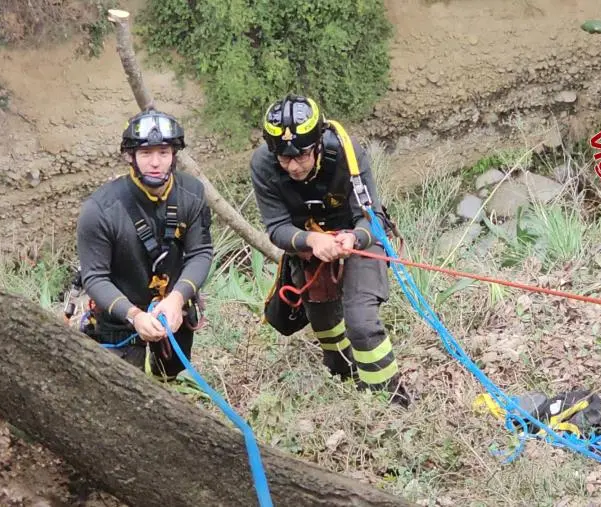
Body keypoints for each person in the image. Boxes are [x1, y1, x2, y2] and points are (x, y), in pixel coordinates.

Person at [250, 94, 409, 407]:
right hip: (308, 248)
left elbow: (369, 216)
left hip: (357, 240)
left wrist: (354, 239)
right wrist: (311, 241)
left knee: (361, 324)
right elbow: (277, 226)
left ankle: (388, 403)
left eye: (302, 156)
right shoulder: (264, 165)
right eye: (285, 159)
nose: (294, 167)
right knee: (325, 326)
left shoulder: (349, 156)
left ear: (319, 144)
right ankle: (343, 374)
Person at [75, 108, 214, 380]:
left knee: (171, 374)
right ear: (131, 156)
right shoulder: (100, 210)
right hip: (119, 316)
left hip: (173, 310)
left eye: (163, 152)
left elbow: (200, 252)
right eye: (146, 153)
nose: (155, 162)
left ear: (174, 155)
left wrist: (177, 298)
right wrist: (134, 315)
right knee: (123, 389)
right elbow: (94, 276)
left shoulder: (191, 194)